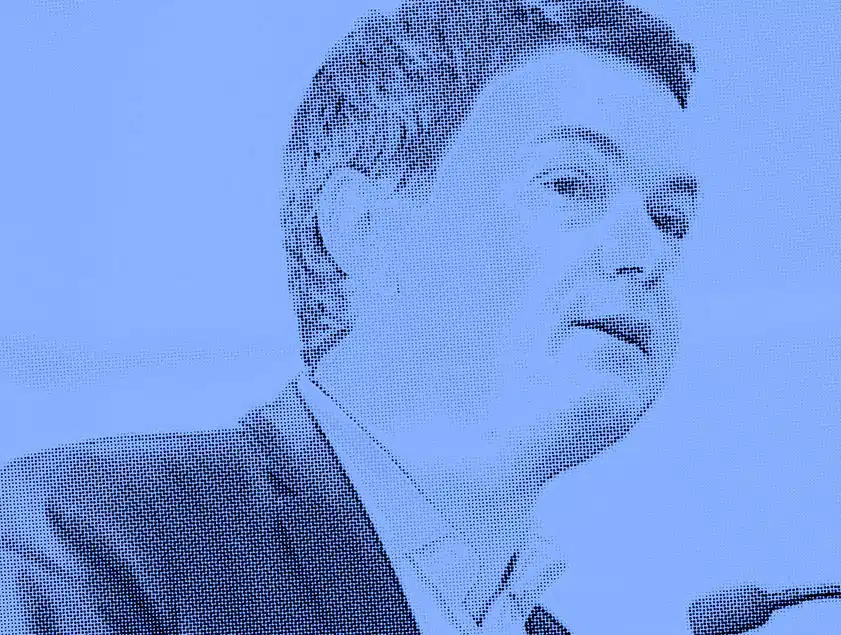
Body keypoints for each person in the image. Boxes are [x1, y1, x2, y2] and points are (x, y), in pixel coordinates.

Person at [0, 1, 697, 633]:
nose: (648, 254)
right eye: (570, 184)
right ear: (362, 227)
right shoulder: (92, 532)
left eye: (670, 219)